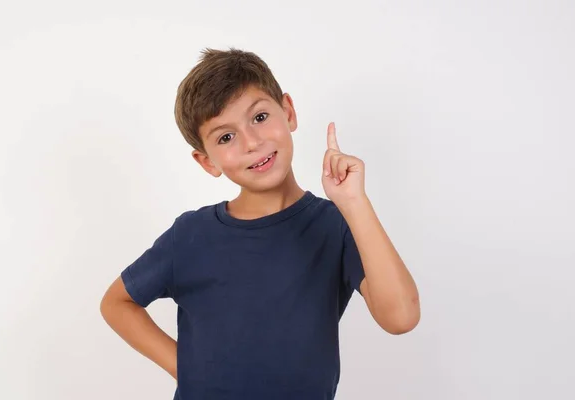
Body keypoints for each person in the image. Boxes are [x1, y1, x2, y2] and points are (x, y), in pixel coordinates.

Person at [100, 47, 420, 400]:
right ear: (207, 162)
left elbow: (401, 317)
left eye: (260, 117)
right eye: (226, 137)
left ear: (288, 112)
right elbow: (116, 303)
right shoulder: (190, 236)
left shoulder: (335, 224)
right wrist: (183, 366)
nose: (252, 142)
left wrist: (354, 203)